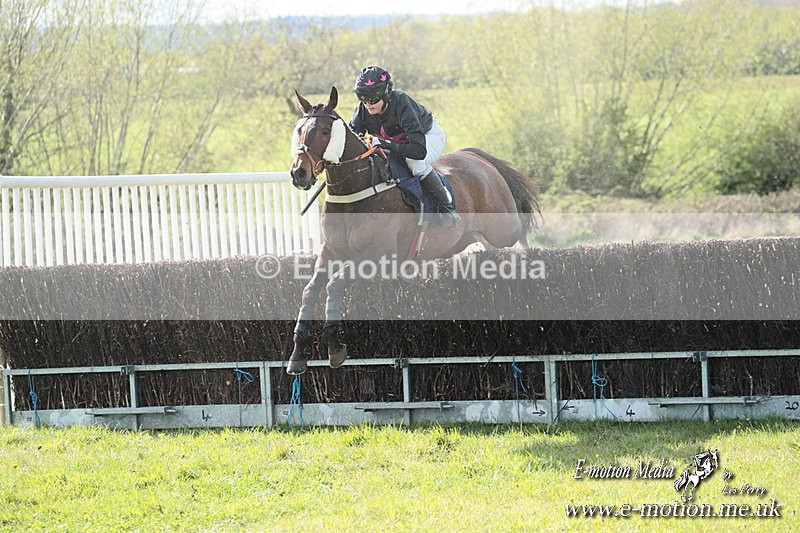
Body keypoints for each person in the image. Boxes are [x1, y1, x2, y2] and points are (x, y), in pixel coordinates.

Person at [349, 66, 460, 228]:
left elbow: (418, 151)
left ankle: (447, 208)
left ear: (386, 94)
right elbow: (354, 137)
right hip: (400, 143)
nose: (367, 104)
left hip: (428, 137)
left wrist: (385, 144)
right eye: (362, 97)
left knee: (415, 163)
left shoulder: (402, 103)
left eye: (372, 98)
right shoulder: (363, 109)